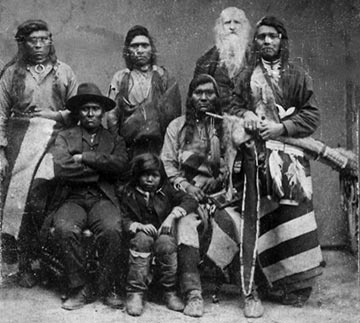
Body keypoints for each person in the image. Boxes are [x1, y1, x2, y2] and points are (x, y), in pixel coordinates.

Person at [231, 16, 323, 307]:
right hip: (255, 158)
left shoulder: (297, 74)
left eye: (273, 36)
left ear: (282, 39)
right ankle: (262, 284)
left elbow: (311, 115)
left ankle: (296, 287)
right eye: (261, 37)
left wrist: (281, 128)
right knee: (261, 219)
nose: (267, 41)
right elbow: (232, 105)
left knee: (292, 221)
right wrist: (246, 116)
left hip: (290, 159)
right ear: (255, 42)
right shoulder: (246, 74)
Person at [161, 74, 264, 318]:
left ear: (218, 97)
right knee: (185, 227)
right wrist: (187, 185)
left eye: (210, 93)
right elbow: (168, 165)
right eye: (199, 93)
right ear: (190, 96)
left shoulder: (227, 126)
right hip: (189, 199)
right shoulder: (177, 127)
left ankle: (249, 293)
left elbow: (243, 156)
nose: (204, 98)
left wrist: (246, 134)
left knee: (238, 227)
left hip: (222, 197)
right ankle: (193, 294)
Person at [0, 20, 78, 287]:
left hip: (53, 143)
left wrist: (53, 115)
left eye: (44, 39)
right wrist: (1, 152)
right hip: (19, 143)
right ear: (23, 43)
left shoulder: (64, 72)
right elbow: (0, 113)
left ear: (50, 40)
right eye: (32, 40)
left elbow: (77, 109)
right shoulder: (12, 73)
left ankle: (45, 263)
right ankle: (23, 264)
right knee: (16, 203)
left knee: (40, 199)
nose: (38, 44)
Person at [43, 83, 128, 310]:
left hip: (103, 198)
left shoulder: (114, 139)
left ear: (102, 111)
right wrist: (100, 170)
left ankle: (104, 286)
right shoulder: (64, 136)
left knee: (112, 229)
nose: (91, 114)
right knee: (64, 228)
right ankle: (79, 287)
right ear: (78, 112)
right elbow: (61, 168)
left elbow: (120, 165)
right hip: (71, 197)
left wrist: (85, 157)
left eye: (96, 109)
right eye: (85, 109)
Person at [120, 153, 198, 316]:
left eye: (154, 175)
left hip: (162, 235)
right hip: (137, 236)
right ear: (137, 175)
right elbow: (121, 216)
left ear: (160, 176)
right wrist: (136, 225)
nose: (149, 179)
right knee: (142, 241)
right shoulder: (128, 192)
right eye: (145, 175)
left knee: (167, 244)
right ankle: (135, 292)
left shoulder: (166, 190)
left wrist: (172, 216)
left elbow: (190, 200)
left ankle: (169, 291)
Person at [107, 25, 181, 160]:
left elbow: (174, 116)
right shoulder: (120, 78)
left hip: (160, 148)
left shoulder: (164, 76)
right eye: (135, 46)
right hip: (130, 149)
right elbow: (112, 116)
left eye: (144, 45)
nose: (139, 50)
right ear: (127, 50)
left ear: (151, 49)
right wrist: (118, 147)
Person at [194, 7, 251, 112]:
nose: (232, 27)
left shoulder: (255, 57)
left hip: (248, 121)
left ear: (244, 27)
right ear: (220, 27)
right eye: (227, 23)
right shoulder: (205, 61)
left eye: (237, 22)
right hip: (216, 119)